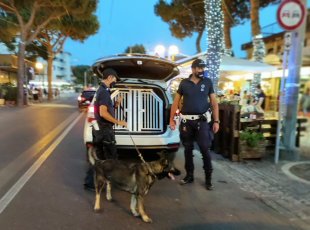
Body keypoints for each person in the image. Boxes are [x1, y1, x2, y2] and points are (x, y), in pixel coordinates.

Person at [169, 59, 219, 191]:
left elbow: (213, 103)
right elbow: (175, 103)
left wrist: (216, 121)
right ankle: (189, 175)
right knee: (187, 149)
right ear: (193, 69)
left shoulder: (207, 82)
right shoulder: (184, 83)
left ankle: (208, 179)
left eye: (203, 68)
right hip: (186, 121)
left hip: (202, 121)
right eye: (200, 68)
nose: (202, 70)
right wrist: (171, 120)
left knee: (204, 149)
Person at [84, 68, 127, 191]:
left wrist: (115, 105)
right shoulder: (104, 92)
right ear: (109, 78)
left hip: (99, 128)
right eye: (114, 79)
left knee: (100, 158)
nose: (115, 81)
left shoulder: (102, 90)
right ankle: (115, 183)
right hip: (104, 129)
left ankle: (90, 182)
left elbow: (102, 109)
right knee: (111, 157)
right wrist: (119, 122)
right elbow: (103, 113)